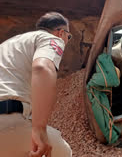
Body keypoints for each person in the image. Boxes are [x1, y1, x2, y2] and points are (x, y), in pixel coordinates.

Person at [0, 12, 72, 156]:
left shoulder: (6, 45)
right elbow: (42, 68)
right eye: (69, 37)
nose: (67, 40)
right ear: (61, 33)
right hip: (7, 121)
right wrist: (39, 128)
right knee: (63, 152)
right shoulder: (51, 39)